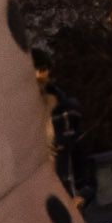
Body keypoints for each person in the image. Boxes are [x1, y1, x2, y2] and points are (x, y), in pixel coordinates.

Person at [33, 42, 87, 204]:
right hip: (32, 201)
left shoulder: (66, 110)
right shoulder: (14, 113)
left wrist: (83, 194)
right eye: (32, 71)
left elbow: (80, 154)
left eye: (42, 69)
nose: (38, 76)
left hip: (63, 197)